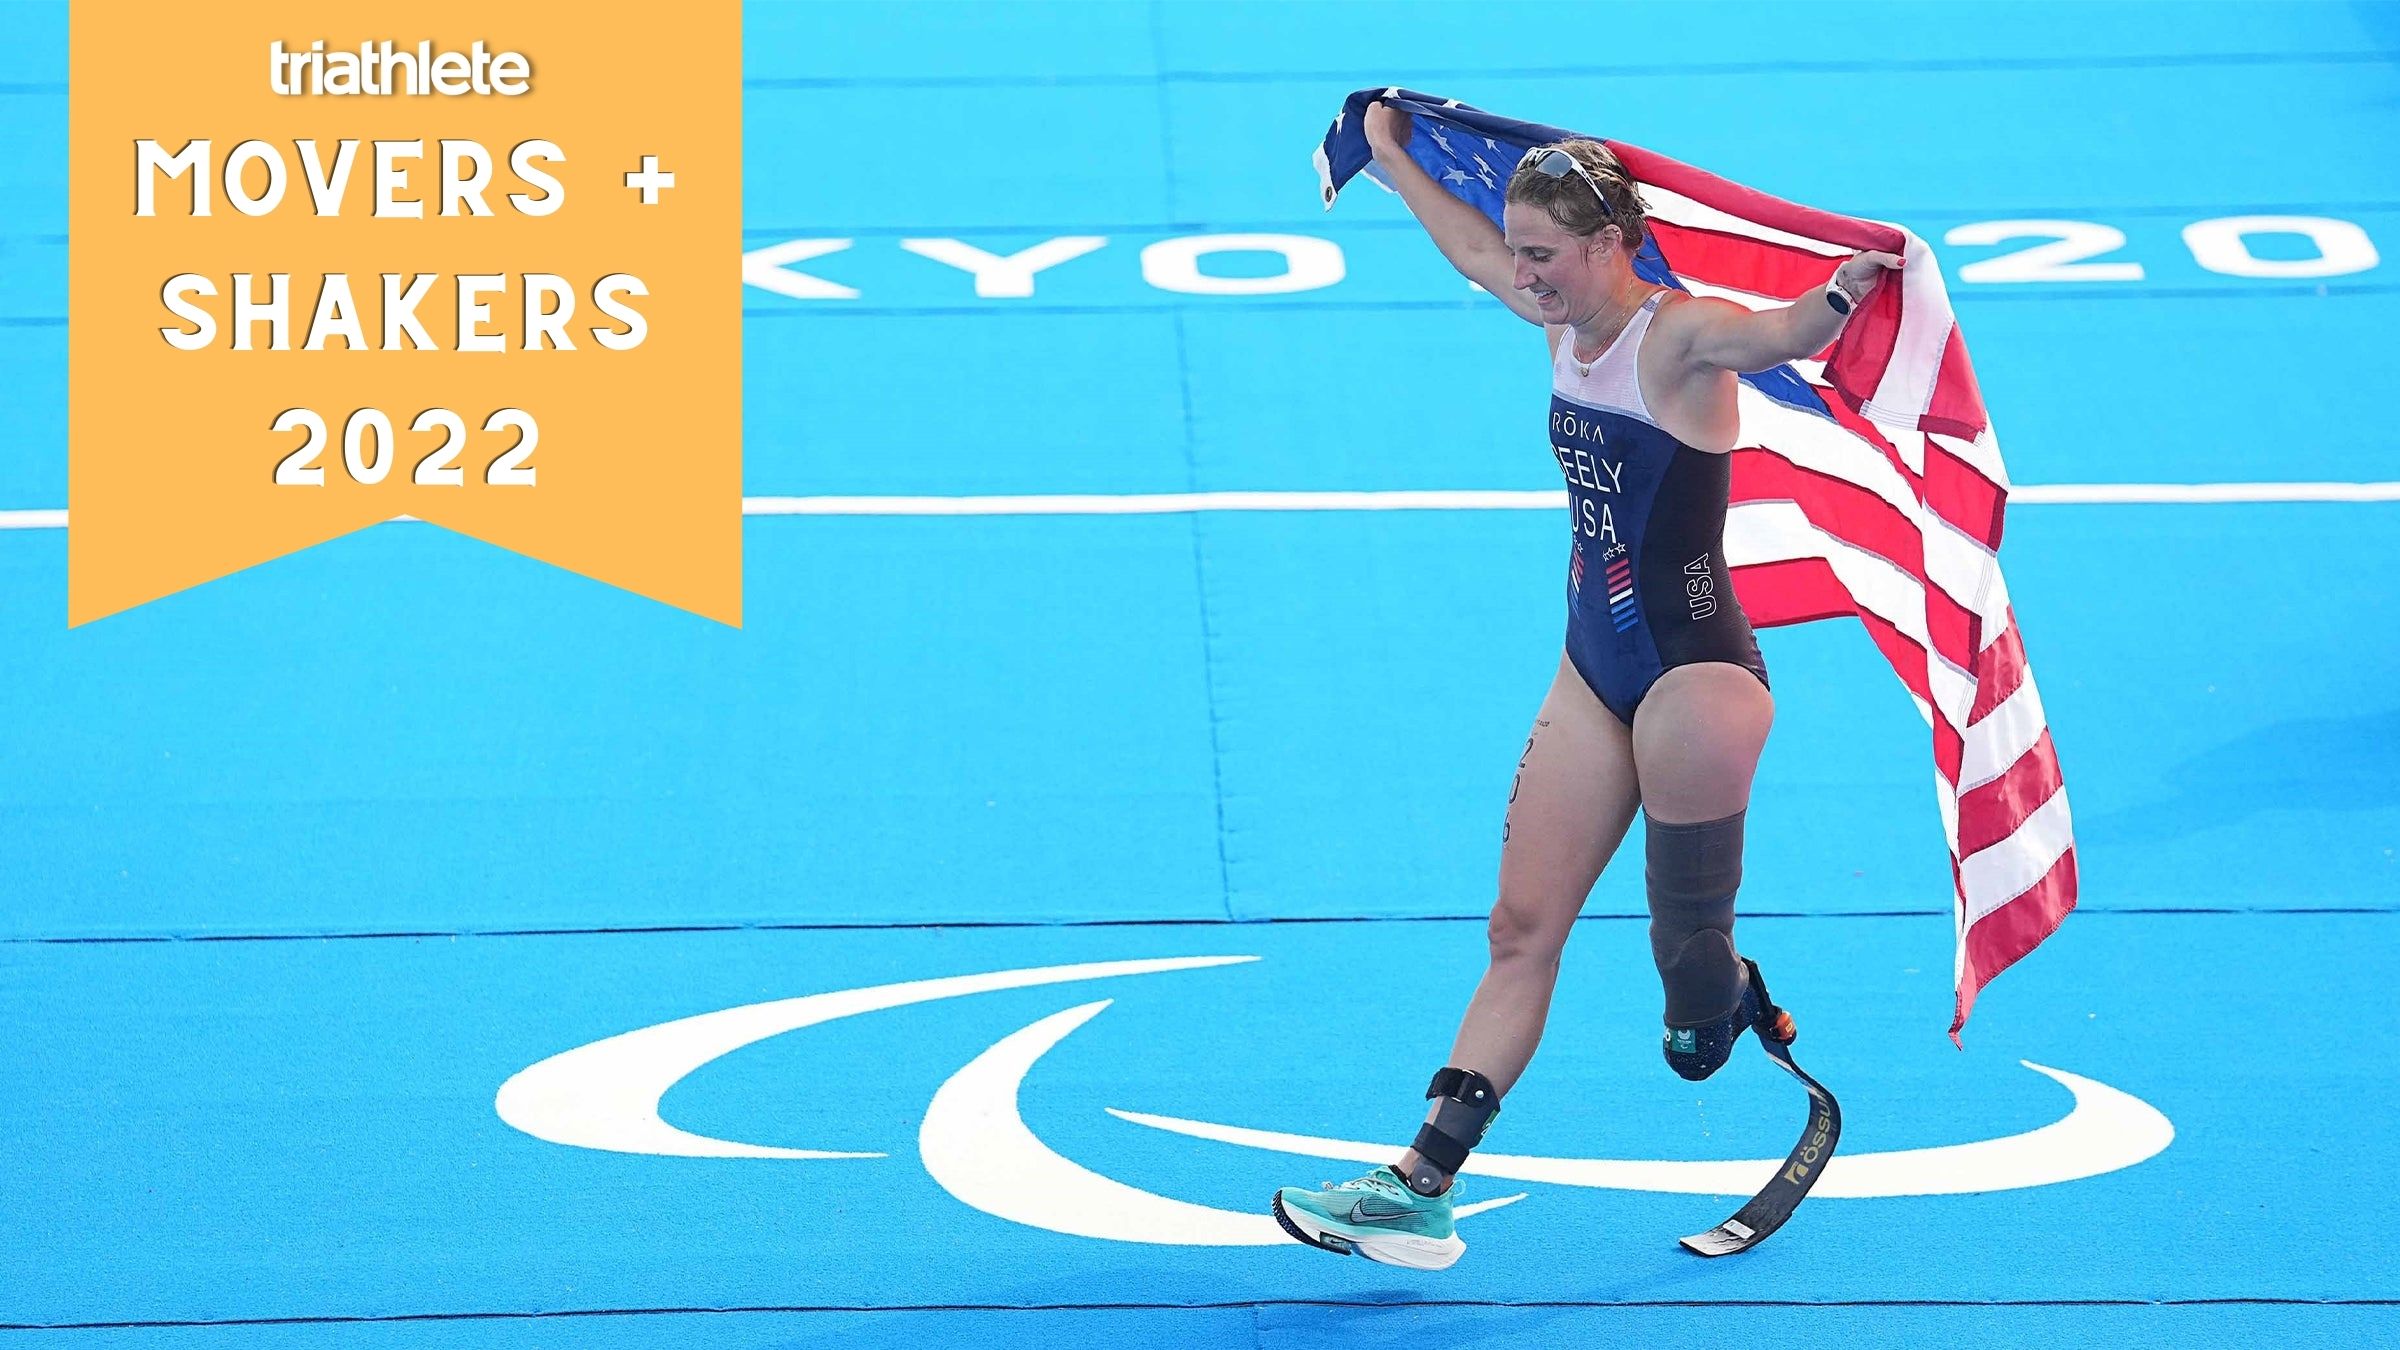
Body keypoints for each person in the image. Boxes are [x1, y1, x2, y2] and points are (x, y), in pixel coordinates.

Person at [1270, 101, 1901, 1271]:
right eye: (1522, 251)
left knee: (1689, 1010)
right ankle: (1421, 1181)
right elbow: (1465, 245)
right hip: (1591, 666)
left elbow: (1774, 336)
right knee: (1519, 928)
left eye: (1545, 254)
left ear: (1611, 244)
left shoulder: (1678, 336)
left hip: (1696, 685)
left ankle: (1729, 994)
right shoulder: (1556, 319)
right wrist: (1396, 160)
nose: (1523, 272)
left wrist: (1851, 291)